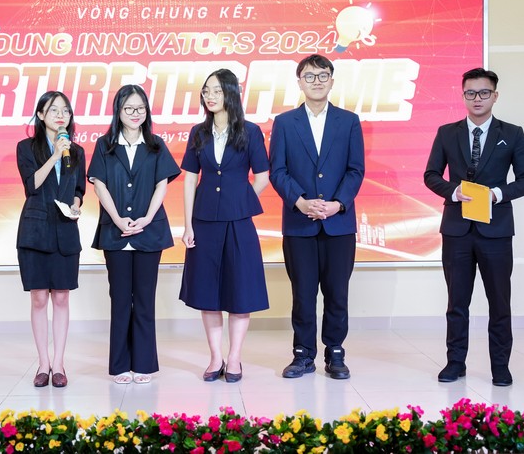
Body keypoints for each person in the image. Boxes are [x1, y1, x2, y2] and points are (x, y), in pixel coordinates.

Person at [424, 68, 524, 387]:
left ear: (495, 96)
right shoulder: (447, 133)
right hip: (457, 230)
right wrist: (453, 191)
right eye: (470, 93)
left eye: (484, 92)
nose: (477, 98)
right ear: (463, 96)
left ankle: (500, 366)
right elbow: (431, 175)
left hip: (496, 230)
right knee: (457, 303)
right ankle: (455, 362)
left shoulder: (512, 133)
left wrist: (496, 194)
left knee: (499, 303)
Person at [269, 54, 365, 380]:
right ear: (299, 82)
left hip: (339, 224)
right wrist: (300, 202)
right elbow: (278, 170)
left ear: (332, 81)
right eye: (309, 76)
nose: (316, 81)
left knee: (337, 292)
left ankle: (335, 353)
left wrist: (338, 203)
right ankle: (303, 354)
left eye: (323, 75)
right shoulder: (285, 123)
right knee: (303, 293)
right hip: (299, 224)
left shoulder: (349, 121)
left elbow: (355, 170)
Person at [179, 68, 270, 383]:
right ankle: (215, 356)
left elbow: (262, 177)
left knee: (239, 290)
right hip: (204, 221)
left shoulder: (250, 131)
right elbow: (190, 180)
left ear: (231, 92)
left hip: (238, 222)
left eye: (216, 90)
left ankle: (234, 358)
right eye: (206, 91)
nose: (210, 96)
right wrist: (188, 224)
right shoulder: (198, 132)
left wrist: (241, 202)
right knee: (208, 292)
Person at [87, 84, 181, 385]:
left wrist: (147, 218)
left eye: (140, 108)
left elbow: (162, 184)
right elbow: (99, 184)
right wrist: (117, 219)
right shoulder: (105, 145)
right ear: (118, 111)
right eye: (129, 108)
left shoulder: (155, 144)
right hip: (114, 234)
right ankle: (119, 366)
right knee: (119, 299)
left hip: (149, 233)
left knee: (144, 299)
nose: (135, 113)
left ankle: (143, 365)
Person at [16, 91, 86, 388]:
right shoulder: (26, 147)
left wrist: (76, 205)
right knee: (39, 298)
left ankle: (58, 364)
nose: (61, 115)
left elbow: (78, 189)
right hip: (35, 230)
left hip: (65, 229)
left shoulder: (77, 151)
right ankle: (43, 363)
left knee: (61, 296)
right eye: (54, 110)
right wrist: (55, 155)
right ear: (41, 115)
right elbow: (31, 185)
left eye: (65, 111)